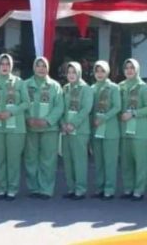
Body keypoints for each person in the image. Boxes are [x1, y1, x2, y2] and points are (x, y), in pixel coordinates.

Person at [0, 53, 29, 201]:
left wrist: (11, 112)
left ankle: (12, 189)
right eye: (2, 64)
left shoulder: (19, 83)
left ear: (11, 66)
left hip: (15, 128)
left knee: (13, 160)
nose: (4, 67)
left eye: (7, 64)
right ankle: (2, 188)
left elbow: (26, 103)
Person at [23, 56, 64, 200]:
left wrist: (47, 121)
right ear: (34, 67)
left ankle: (46, 189)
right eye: (38, 65)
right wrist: (28, 119)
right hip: (30, 128)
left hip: (49, 129)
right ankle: (34, 188)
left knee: (48, 160)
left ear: (48, 68)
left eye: (44, 66)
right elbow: (20, 103)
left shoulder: (55, 86)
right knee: (31, 159)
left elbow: (59, 107)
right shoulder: (25, 85)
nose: (41, 69)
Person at [60, 61, 93, 200]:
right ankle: (71, 188)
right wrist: (63, 123)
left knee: (79, 161)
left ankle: (80, 189)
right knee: (67, 161)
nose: (71, 75)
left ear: (79, 73)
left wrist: (73, 124)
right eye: (69, 72)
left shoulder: (86, 89)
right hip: (66, 130)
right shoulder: (65, 88)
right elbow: (61, 108)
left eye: (74, 72)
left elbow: (86, 109)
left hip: (79, 130)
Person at [90, 60, 121, 200]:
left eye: (102, 71)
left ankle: (109, 189)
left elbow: (117, 107)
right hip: (96, 130)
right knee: (99, 162)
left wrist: (104, 118)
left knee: (110, 162)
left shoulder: (114, 88)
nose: (100, 74)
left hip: (110, 130)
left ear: (107, 72)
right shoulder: (92, 88)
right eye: (97, 71)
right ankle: (100, 188)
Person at [119, 58, 147, 201]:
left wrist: (134, 113)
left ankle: (139, 190)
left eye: (132, 68)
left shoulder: (143, 87)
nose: (129, 70)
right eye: (127, 68)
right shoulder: (121, 87)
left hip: (140, 132)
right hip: (124, 131)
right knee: (126, 162)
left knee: (140, 163)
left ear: (137, 70)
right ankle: (128, 188)